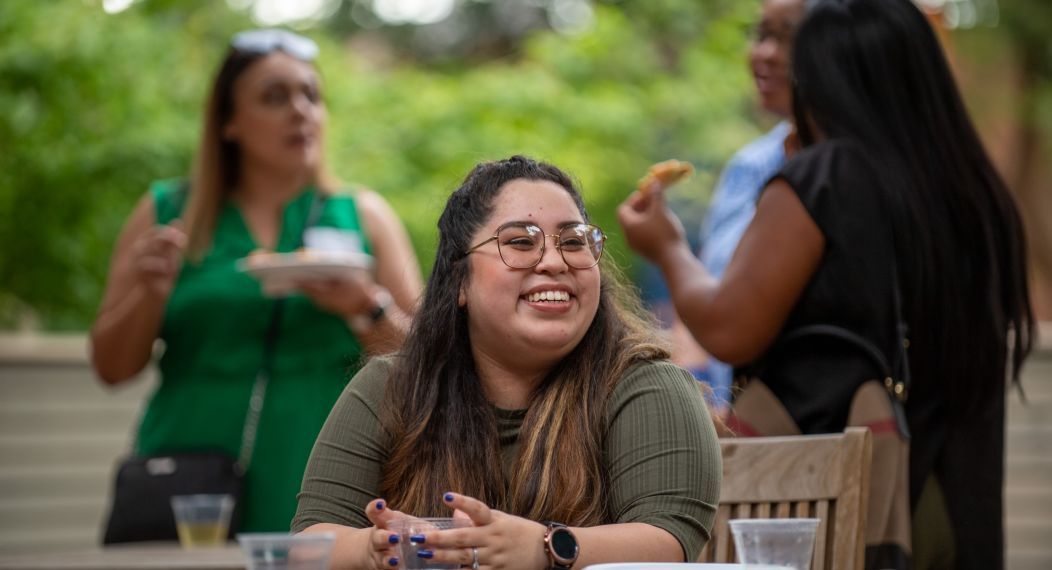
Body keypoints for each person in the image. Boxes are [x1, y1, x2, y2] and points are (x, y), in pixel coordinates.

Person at [617, 1, 1034, 569]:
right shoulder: (973, 190)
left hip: (849, 509)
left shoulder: (828, 176)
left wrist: (666, 246)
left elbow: (729, 329)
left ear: (825, 76)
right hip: (954, 508)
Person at [293, 156, 721, 569]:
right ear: (459, 280)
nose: (554, 262)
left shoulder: (646, 385)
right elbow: (309, 542)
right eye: (520, 242)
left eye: (573, 241)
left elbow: (668, 540)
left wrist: (544, 547)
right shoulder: (392, 385)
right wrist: (377, 546)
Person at [90, 29, 423, 532]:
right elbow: (112, 368)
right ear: (228, 122)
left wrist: (365, 306)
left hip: (330, 487)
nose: (300, 110)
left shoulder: (365, 215)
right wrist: (149, 293)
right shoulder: (168, 214)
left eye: (312, 94)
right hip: (187, 486)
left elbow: (426, 369)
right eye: (274, 96)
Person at [691, 0, 804, 404]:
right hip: (744, 430)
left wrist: (667, 247)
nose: (765, 53)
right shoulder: (747, 167)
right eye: (761, 35)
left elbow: (729, 330)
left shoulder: (839, 175)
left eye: (787, 36)